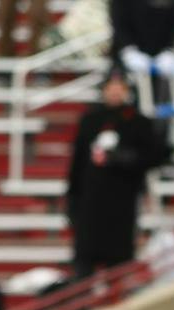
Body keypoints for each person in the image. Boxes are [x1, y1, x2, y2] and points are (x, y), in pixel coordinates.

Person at [66, 66, 165, 279]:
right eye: (111, 87)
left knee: (118, 266)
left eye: (120, 87)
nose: (115, 91)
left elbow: (155, 156)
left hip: (122, 205)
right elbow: (77, 163)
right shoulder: (90, 120)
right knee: (84, 262)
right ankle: (83, 309)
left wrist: (126, 158)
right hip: (91, 204)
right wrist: (72, 200)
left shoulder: (138, 122)